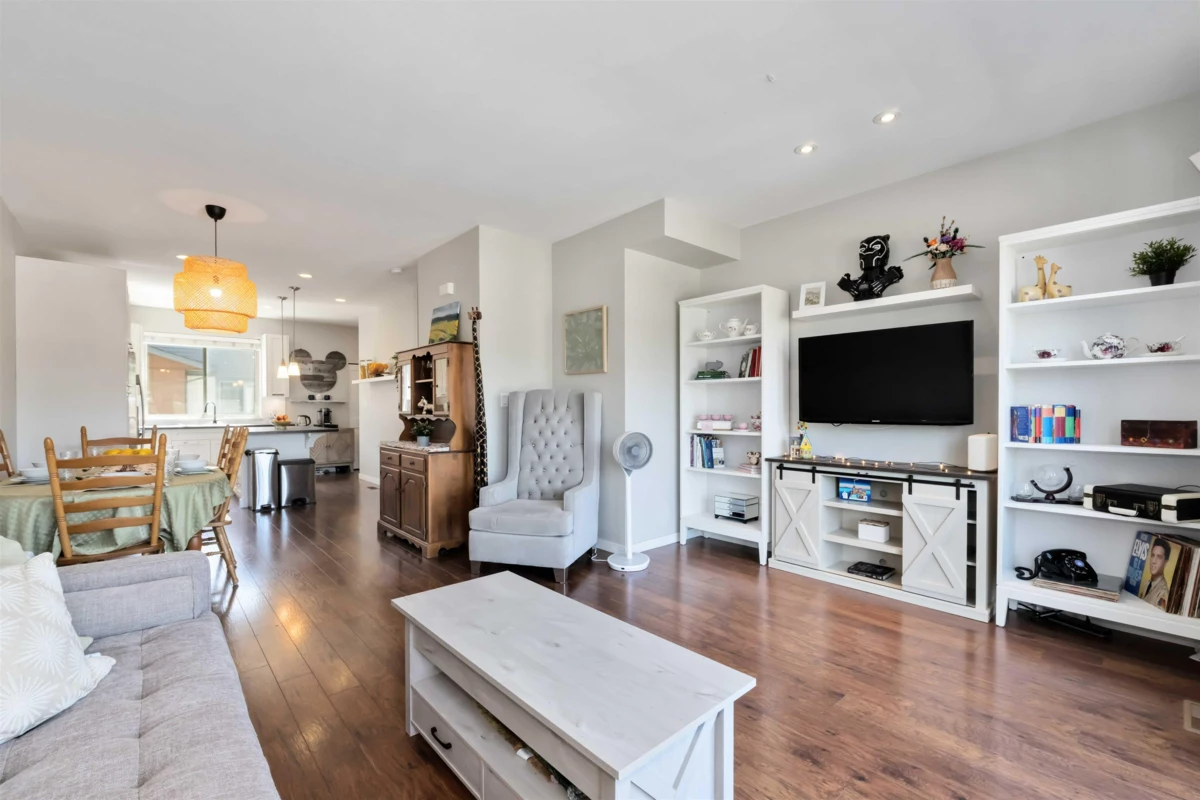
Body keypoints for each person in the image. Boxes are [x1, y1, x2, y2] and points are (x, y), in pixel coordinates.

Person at [1140, 538, 1172, 610]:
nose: (1154, 561)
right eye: (1152, 555)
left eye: (1159, 557)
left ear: (1165, 562)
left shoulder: (1163, 593)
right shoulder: (1148, 584)